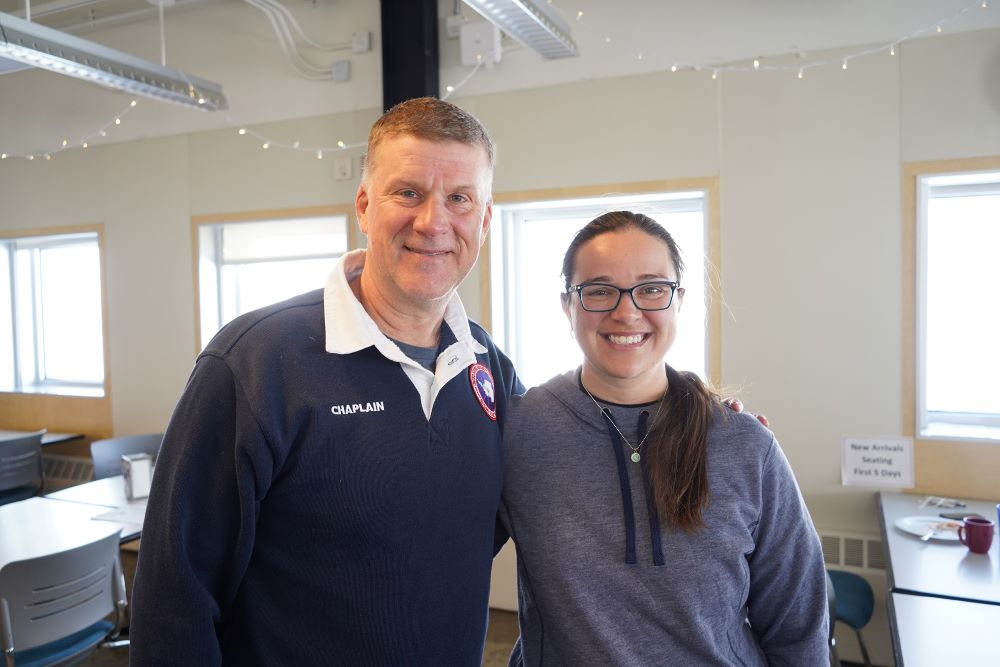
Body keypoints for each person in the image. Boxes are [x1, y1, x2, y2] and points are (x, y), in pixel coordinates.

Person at [129, 97, 522, 665]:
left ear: (484, 221)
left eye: (459, 198)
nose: (433, 221)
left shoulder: (489, 367)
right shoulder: (256, 362)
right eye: (407, 193)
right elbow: (174, 598)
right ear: (365, 206)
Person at [498, 211, 828, 665]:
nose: (626, 311)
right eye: (598, 290)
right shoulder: (519, 431)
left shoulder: (744, 445)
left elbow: (799, 624)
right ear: (567, 306)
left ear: (679, 300)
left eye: (652, 288)